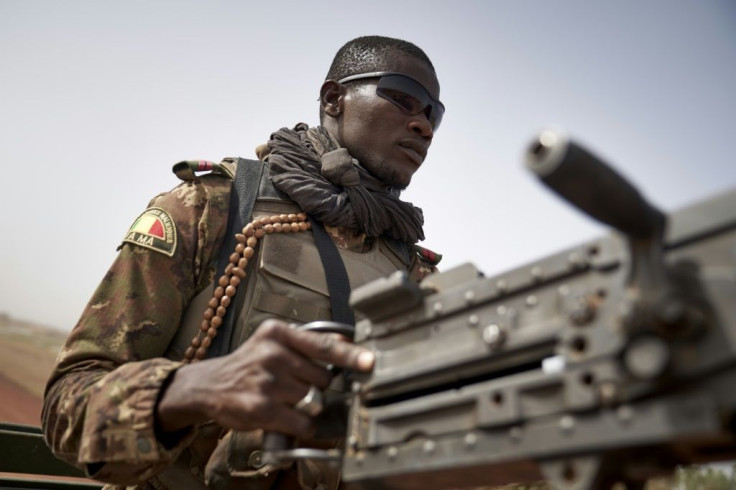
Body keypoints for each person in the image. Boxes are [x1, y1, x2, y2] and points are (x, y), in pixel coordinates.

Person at [42, 35, 443, 490]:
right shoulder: (211, 208)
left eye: (434, 115)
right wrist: (194, 390)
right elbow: (65, 410)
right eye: (405, 99)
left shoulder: (414, 273)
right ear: (335, 99)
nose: (423, 126)